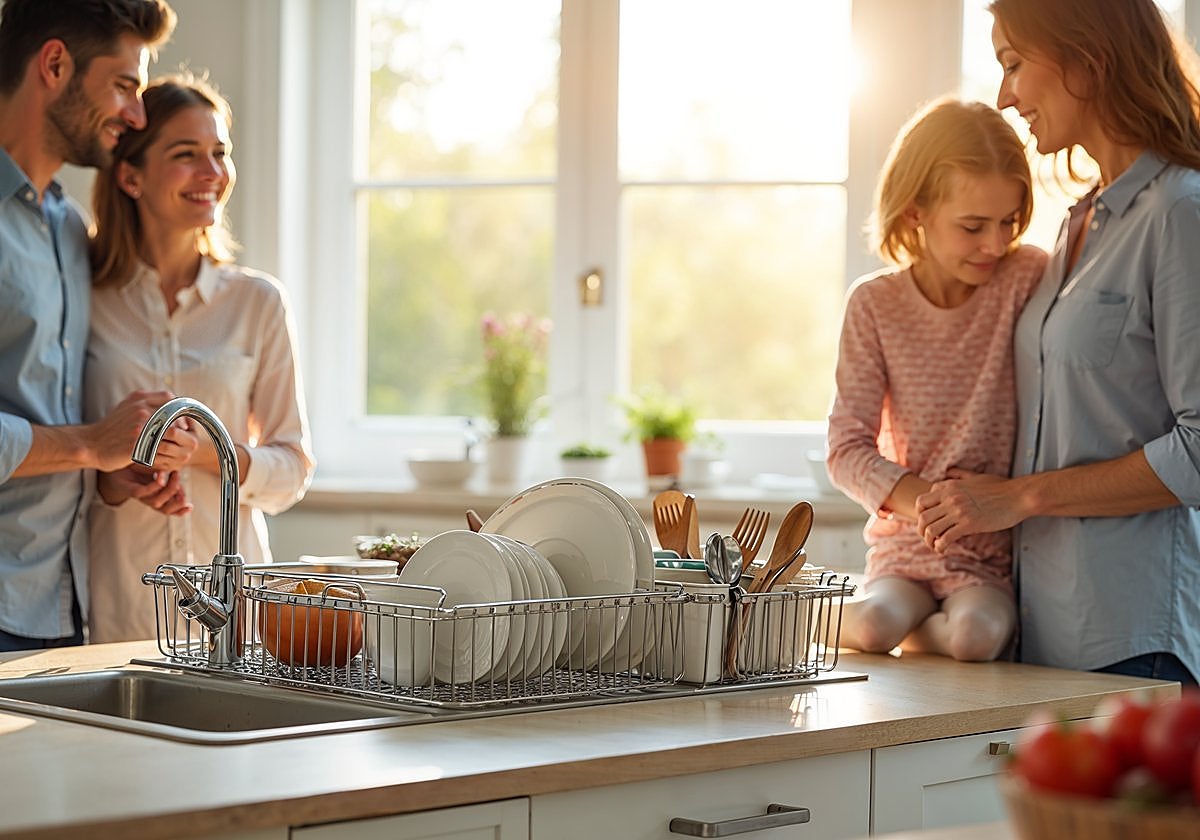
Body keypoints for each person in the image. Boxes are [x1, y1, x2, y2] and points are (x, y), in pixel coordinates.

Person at [915, 0, 1200, 686]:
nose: (1005, 96)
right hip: (1041, 632)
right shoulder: (1077, 224)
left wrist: (1021, 497)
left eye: (1014, 64)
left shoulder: (1180, 213)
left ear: (1087, 62)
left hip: (1136, 642)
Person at [85, 73, 316, 643]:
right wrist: (115, 481)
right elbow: (69, 456)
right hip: (116, 608)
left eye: (220, 153)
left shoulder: (258, 302)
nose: (212, 173)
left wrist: (212, 452)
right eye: (186, 155)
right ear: (130, 175)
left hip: (240, 614)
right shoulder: (82, 297)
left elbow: (293, 470)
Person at [826, 97, 1048, 661]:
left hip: (987, 555)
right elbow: (847, 450)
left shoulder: (1026, 278)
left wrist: (978, 512)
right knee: (874, 627)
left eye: (1009, 222)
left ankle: (922, 632)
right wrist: (933, 504)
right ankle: (800, 618)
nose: (994, 245)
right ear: (914, 213)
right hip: (905, 546)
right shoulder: (874, 304)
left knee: (978, 638)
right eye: (972, 226)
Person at [0, 0, 182, 651]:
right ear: (55, 64)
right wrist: (88, 444)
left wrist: (108, 470)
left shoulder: (69, 229)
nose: (136, 114)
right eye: (124, 86)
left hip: (57, 607)